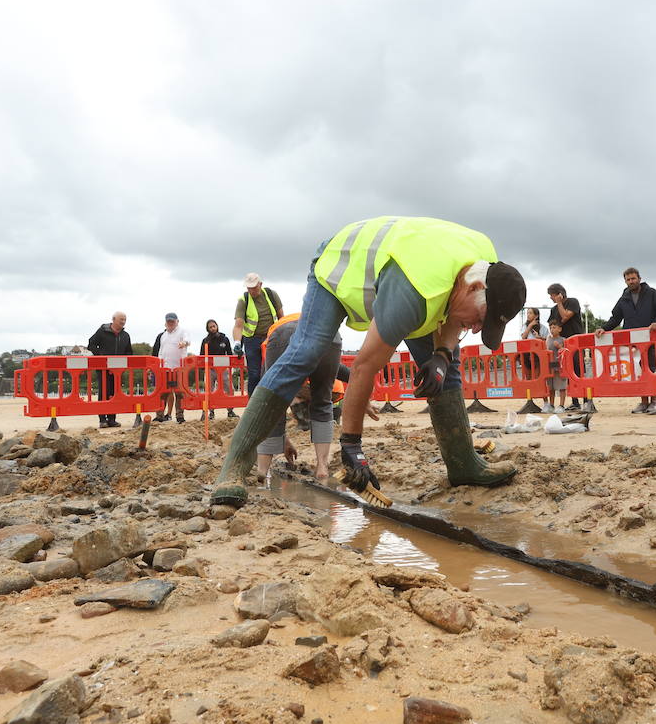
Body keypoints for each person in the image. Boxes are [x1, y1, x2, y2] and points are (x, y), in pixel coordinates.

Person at [210, 216, 527, 507]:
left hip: (419, 275)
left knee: (448, 369)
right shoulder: (413, 293)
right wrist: (351, 446)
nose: (474, 328)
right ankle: (234, 466)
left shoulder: (486, 266)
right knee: (306, 351)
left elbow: (459, 307)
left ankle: (463, 465)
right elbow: (364, 367)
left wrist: (442, 356)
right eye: (480, 320)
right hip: (339, 267)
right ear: (474, 288)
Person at [255, 313, 375, 484]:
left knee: (272, 402)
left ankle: (263, 472)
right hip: (328, 334)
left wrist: (281, 437)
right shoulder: (315, 324)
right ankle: (322, 468)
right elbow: (350, 373)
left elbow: (267, 395)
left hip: (284, 334)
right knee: (322, 402)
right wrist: (364, 398)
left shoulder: (275, 338)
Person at [594, 267, 656, 413]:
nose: (631, 282)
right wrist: (604, 328)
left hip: (650, 339)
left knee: (650, 369)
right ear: (625, 281)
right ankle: (643, 402)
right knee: (637, 370)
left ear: (639, 279)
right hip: (632, 342)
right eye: (628, 280)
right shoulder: (624, 298)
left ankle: (654, 401)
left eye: (633, 278)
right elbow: (615, 317)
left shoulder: (652, 293)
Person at [232, 274, 284, 393]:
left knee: (272, 372)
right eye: (249, 288)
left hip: (271, 339)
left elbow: (282, 318)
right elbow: (238, 326)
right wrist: (237, 343)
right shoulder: (244, 300)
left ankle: (274, 406)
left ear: (260, 284)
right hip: (252, 340)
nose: (251, 291)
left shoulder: (271, 295)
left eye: (254, 288)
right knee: (254, 374)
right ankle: (253, 406)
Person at [86, 311, 132, 428]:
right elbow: (91, 344)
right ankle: (102, 420)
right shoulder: (102, 331)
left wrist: (123, 363)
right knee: (103, 393)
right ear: (113, 319)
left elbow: (129, 352)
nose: (123, 321)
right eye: (121, 319)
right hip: (103, 368)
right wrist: (101, 356)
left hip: (118, 370)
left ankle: (112, 419)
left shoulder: (125, 335)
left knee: (114, 393)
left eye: (124, 319)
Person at [152, 313, 191, 423]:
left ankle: (179, 415)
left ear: (177, 321)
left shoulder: (182, 331)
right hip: (166, 368)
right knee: (163, 392)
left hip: (179, 367)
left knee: (179, 392)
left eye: (172, 321)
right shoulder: (163, 335)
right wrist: (159, 365)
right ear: (165, 322)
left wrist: (184, 343)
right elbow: (161, 352)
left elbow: (188, 340)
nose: (170, 323)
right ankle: (159, 415)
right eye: (168, 321)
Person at [198, 319, 238, 418]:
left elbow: (229, 353)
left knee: (229, 389)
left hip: (223, 369)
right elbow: (202, 355)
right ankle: (209, 412)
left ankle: (230, 410)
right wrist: (203, 368)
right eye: (210, 327)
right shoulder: (205, 341)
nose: (212, 328)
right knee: (208, 391)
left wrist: (231, 366)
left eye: (214, 326)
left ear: (217, 326)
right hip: (210, 369)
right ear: (207, 329)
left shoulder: (225, 339)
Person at [518, 307, 548, 383]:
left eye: (530, 313)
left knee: (537, 375)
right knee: (528, 376)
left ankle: (538, 393)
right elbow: (523, 337)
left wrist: (539, 337)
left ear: (536, 316)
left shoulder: (543, 328)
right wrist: (530, 326)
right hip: (526, 354)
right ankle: (529, 392)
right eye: (527, 313)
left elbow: (547, 341)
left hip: (538, 354)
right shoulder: (525, 326)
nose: (528, 315)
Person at [545, 326, 568, 413]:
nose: (552, 329)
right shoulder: (548, 340)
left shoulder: (563, 339)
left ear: (560, 329)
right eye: (550, 328)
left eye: (554, 327)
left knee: (562, 386)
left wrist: (559, 347)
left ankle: (561, 405)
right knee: (551, 387)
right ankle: (551, 405)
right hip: (550, 367)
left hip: (560, 367)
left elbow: (566, 351)